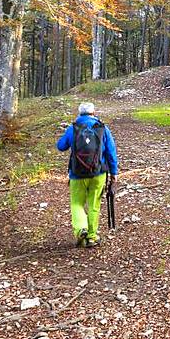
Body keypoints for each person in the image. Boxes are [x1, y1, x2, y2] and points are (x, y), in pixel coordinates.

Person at [56, 102, 119, 248]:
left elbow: (60, 146)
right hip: (98, 173)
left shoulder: (73, 128)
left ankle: (81, 229)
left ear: (79, 114)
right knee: (94, 205)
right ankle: (92, 237)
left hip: (77, 174)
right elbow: (111, 152)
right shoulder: (102, 128)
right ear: (94, 112)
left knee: (77, 204)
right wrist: (114, 173)